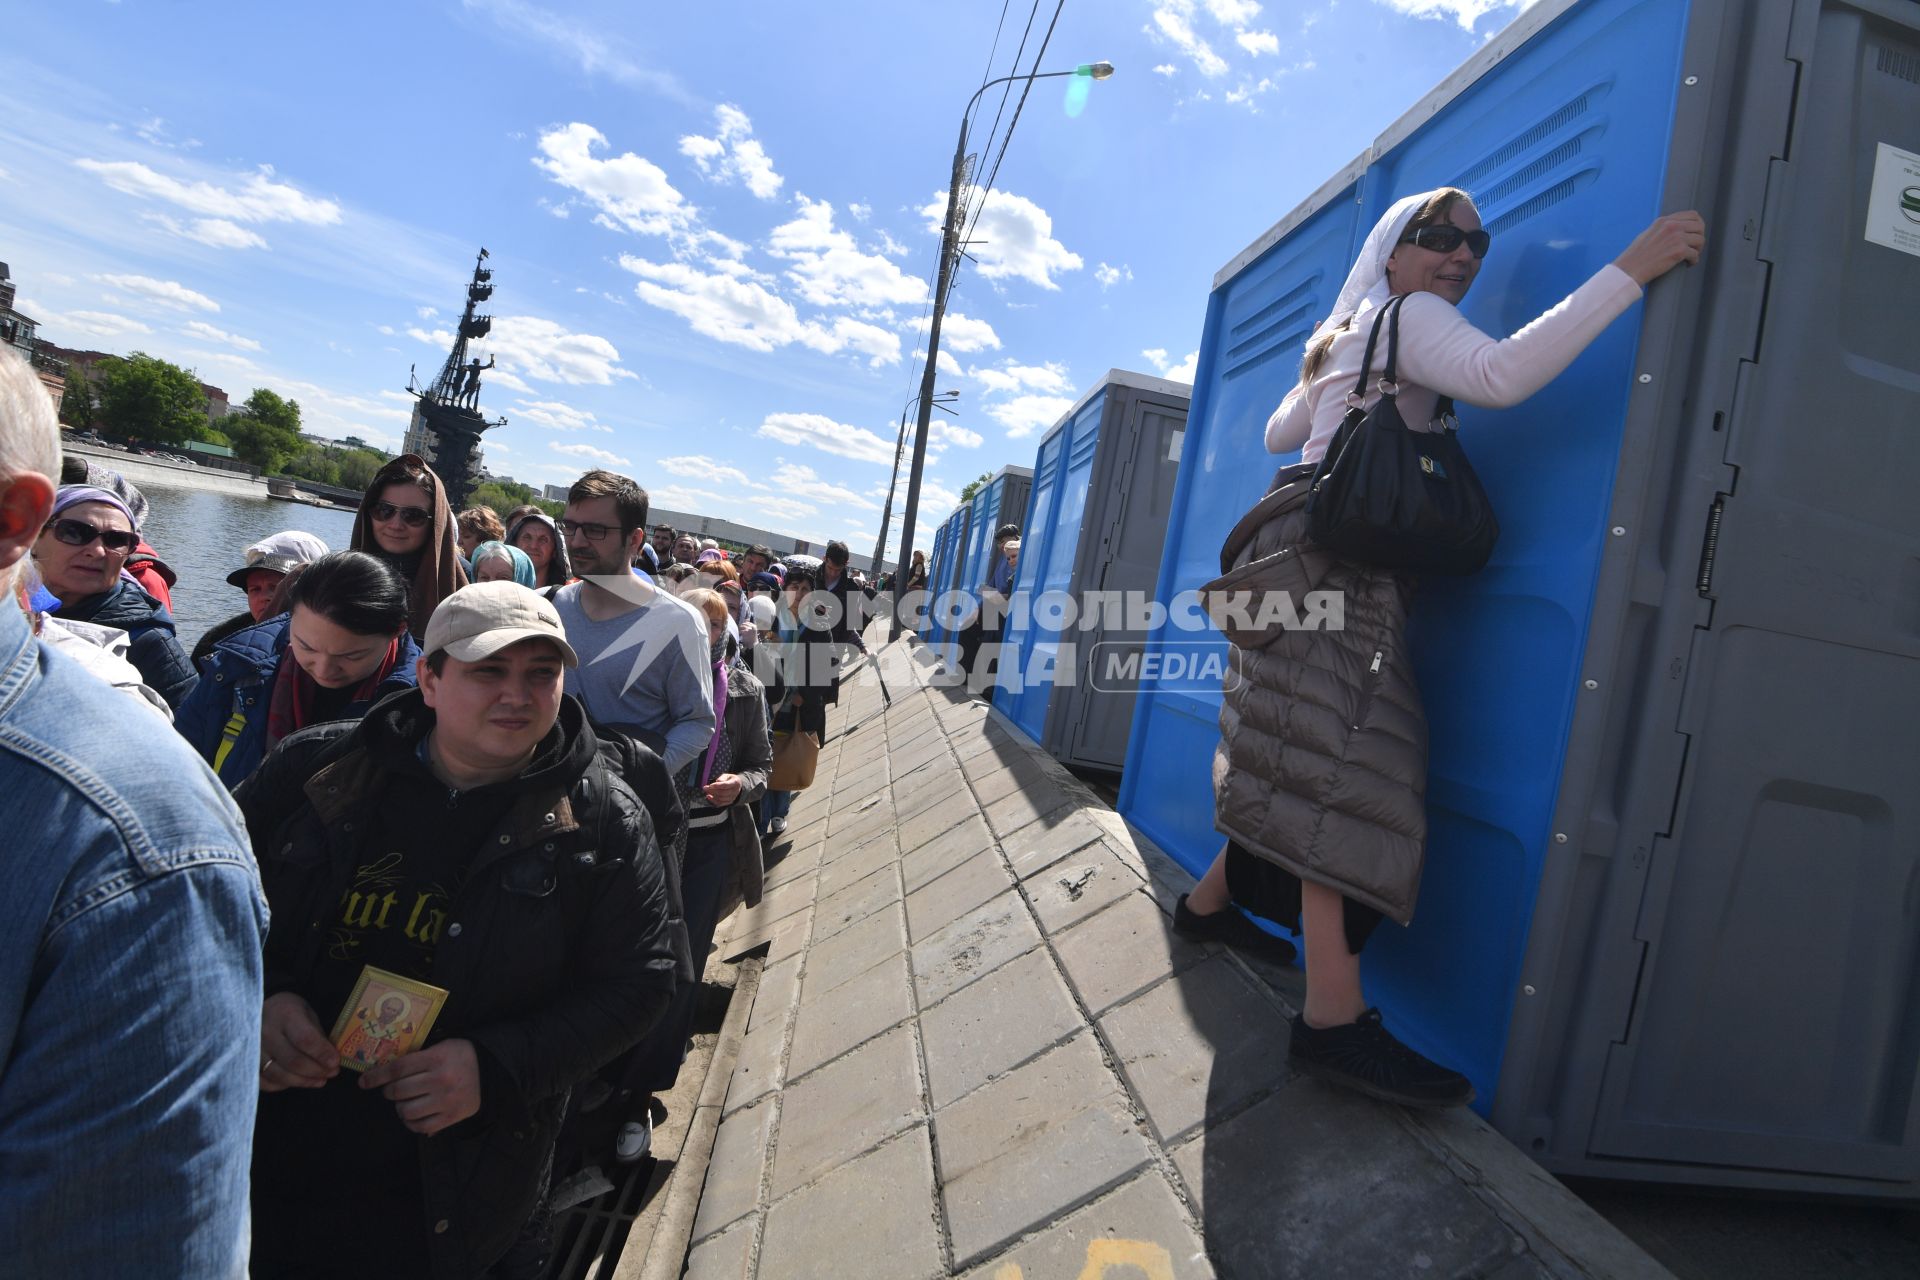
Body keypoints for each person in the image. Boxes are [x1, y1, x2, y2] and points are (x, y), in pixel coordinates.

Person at [1182, 186, 1705, 1108]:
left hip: (1286, 553)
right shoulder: (1412, 314)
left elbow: (1280, 432)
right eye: (1437, 237)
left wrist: (1341, 354)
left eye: (1476, 242)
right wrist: (1632, 270)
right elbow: (1501, 376)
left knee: (1296, 746)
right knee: (1351, 766)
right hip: (1336, 566)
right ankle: (1331, 1024)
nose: (1462, 254)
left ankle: (1208, 908)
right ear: (1393, 251)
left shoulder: (1354, 332)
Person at [238, 582, 677, 1277]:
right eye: (487, 672)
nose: (518, 695)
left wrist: (496, 1067)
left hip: (462, 1178)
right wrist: (262, 995)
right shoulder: (313, 767)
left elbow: (642, 981)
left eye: (542, 674)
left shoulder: (605, 819)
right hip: (271, 1144)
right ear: (430, 679)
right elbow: (208, 905)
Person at [0, 346, 268, 1276]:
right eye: (88, 538)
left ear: (12, 520)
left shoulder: (149, 850)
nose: (102, 556)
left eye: (116, 542)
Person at [617, 586, 769, 1163]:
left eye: (709, 627)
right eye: (687, 624)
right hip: (643, 837)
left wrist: (740, 786)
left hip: (706, 847)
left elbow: (762, 764)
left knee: (684, 963)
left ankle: (639, 1092)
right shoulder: (645, 678)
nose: (698, 637)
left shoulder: (745, 690)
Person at [175, 551, 421, 789]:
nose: (324, 670)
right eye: (306, 647)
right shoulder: (234, 669)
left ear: (397, 630)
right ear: (290, 615)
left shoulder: (422, 703)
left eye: (350, 655)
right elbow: (179, 763)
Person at [550, 471, 714, 779]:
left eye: (595, 530)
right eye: (570, 527)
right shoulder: (548, 604)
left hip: (620, 819)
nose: (577, 541)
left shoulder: (680, 623)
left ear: (635, 539)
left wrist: (631, 786)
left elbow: (697, 723)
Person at [33, 483, 198, 709]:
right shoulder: (10, 606)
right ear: (35, 536)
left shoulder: (148, 641)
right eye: (75, 532)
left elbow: (190, 735)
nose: (97, 550)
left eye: (116, 540)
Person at [757, 564, 836, 838]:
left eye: (805, 589)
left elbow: (827, 665)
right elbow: (758, 654)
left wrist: (808, 694)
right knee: (765, 757)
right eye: (794, 587)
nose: (799, 593)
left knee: (786, 755)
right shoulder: (772, 618)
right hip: (769, 698)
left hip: (798, 702)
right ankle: (762, 818)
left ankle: (779, 813)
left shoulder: (818, 622)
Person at [350, 453, 466, 639]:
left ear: (435, 523)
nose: (395, 525)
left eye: (413, 515)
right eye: (384, 510)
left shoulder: (462, 593)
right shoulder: (335, 577)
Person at [194, 530, 331, 664]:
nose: (264, 597)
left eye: (277, 587)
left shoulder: (331, 650)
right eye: (255, 589)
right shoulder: (216, 644)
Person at [506, 510, 573, 590]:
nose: (533, 546)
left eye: (543, 540)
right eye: (527, 537)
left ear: (555, 550)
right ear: (515, 544)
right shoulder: (498, 585)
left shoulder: (566, 595)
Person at [469, 539, 537, 587]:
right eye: (484, 577)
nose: (491, 584)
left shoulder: (539, 607)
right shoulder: (463, 606)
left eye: (503, 578)